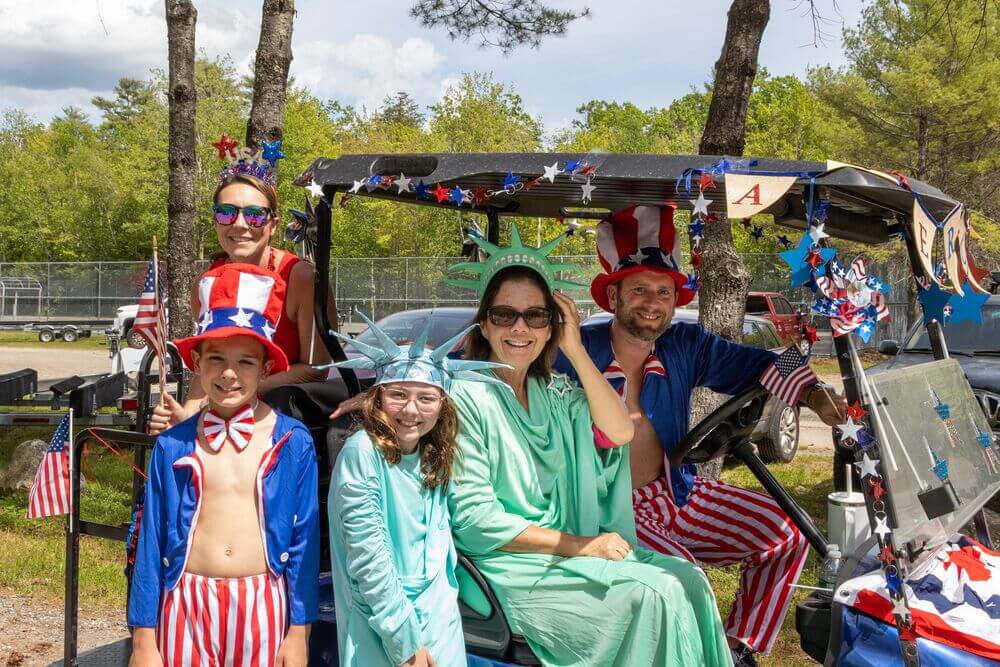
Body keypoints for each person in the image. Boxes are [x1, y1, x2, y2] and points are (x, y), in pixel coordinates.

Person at [555, 205, 847, 666]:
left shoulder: (685, 345)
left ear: (675, 301)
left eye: (663, 292)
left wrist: (813, 390)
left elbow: (766, 361)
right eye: (639, 291)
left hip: (672, 492)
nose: (652, 302)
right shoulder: (573, 349)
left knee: (783, 534)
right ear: (614, 297)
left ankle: (737, 650)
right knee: (686, 579)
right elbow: (503, 367)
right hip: (606, 509)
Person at [445, 228, 734, 667]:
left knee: (688, 579)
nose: (520, 327)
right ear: (484, 324)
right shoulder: (465, 396)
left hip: (561, 554)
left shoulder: (555, 393)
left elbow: (619, 432)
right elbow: (475, 522)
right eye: (505, 315)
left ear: (551, 328)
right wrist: (581, 546)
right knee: (652, 595)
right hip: (504, 567)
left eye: (536, 317)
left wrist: (577, 352)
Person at [128, 263, 319, 667]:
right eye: (216, 359)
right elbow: (151, 542)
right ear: (196, 362)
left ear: (267, 368)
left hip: (264, 605)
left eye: (246, 362)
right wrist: (144, 641)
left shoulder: (292, 441)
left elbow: (304, 541)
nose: (229, 374)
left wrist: (299, 633)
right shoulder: (173, 445)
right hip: (185, 603)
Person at [325, 312, 509, 667]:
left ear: (443, 406)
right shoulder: (362, 454)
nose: (411, 410)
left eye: (427, 398)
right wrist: (406, 643)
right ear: (376, 399)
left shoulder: (434, 452)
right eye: (398, 395)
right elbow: (369, 561)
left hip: (440, 621)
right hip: (384, 626)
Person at [149, 137, 334, 436]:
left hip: (282, 420)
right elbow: (208, 365)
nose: (239, 224)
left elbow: (316, 370)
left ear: (273, 224)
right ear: (216, 220)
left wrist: (240, 386)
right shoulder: (207, 282)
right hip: (224, 413)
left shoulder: (299, 278)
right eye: (226, 212)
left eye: (254, 215)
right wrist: (189, 415)